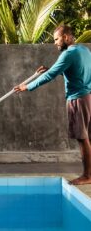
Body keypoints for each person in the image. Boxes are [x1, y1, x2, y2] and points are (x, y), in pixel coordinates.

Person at [14, 25, 91, 185]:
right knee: (88, 137)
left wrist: (26, 86)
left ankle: (87, 176)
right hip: (88, 96)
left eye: (56, 39)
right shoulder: (84, 50)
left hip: (78, 99)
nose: (55, 43)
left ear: (66, 37)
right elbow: (75, 70)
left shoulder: (67, 54)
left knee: (82, 138)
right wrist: (53, 69)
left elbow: (49, 76)